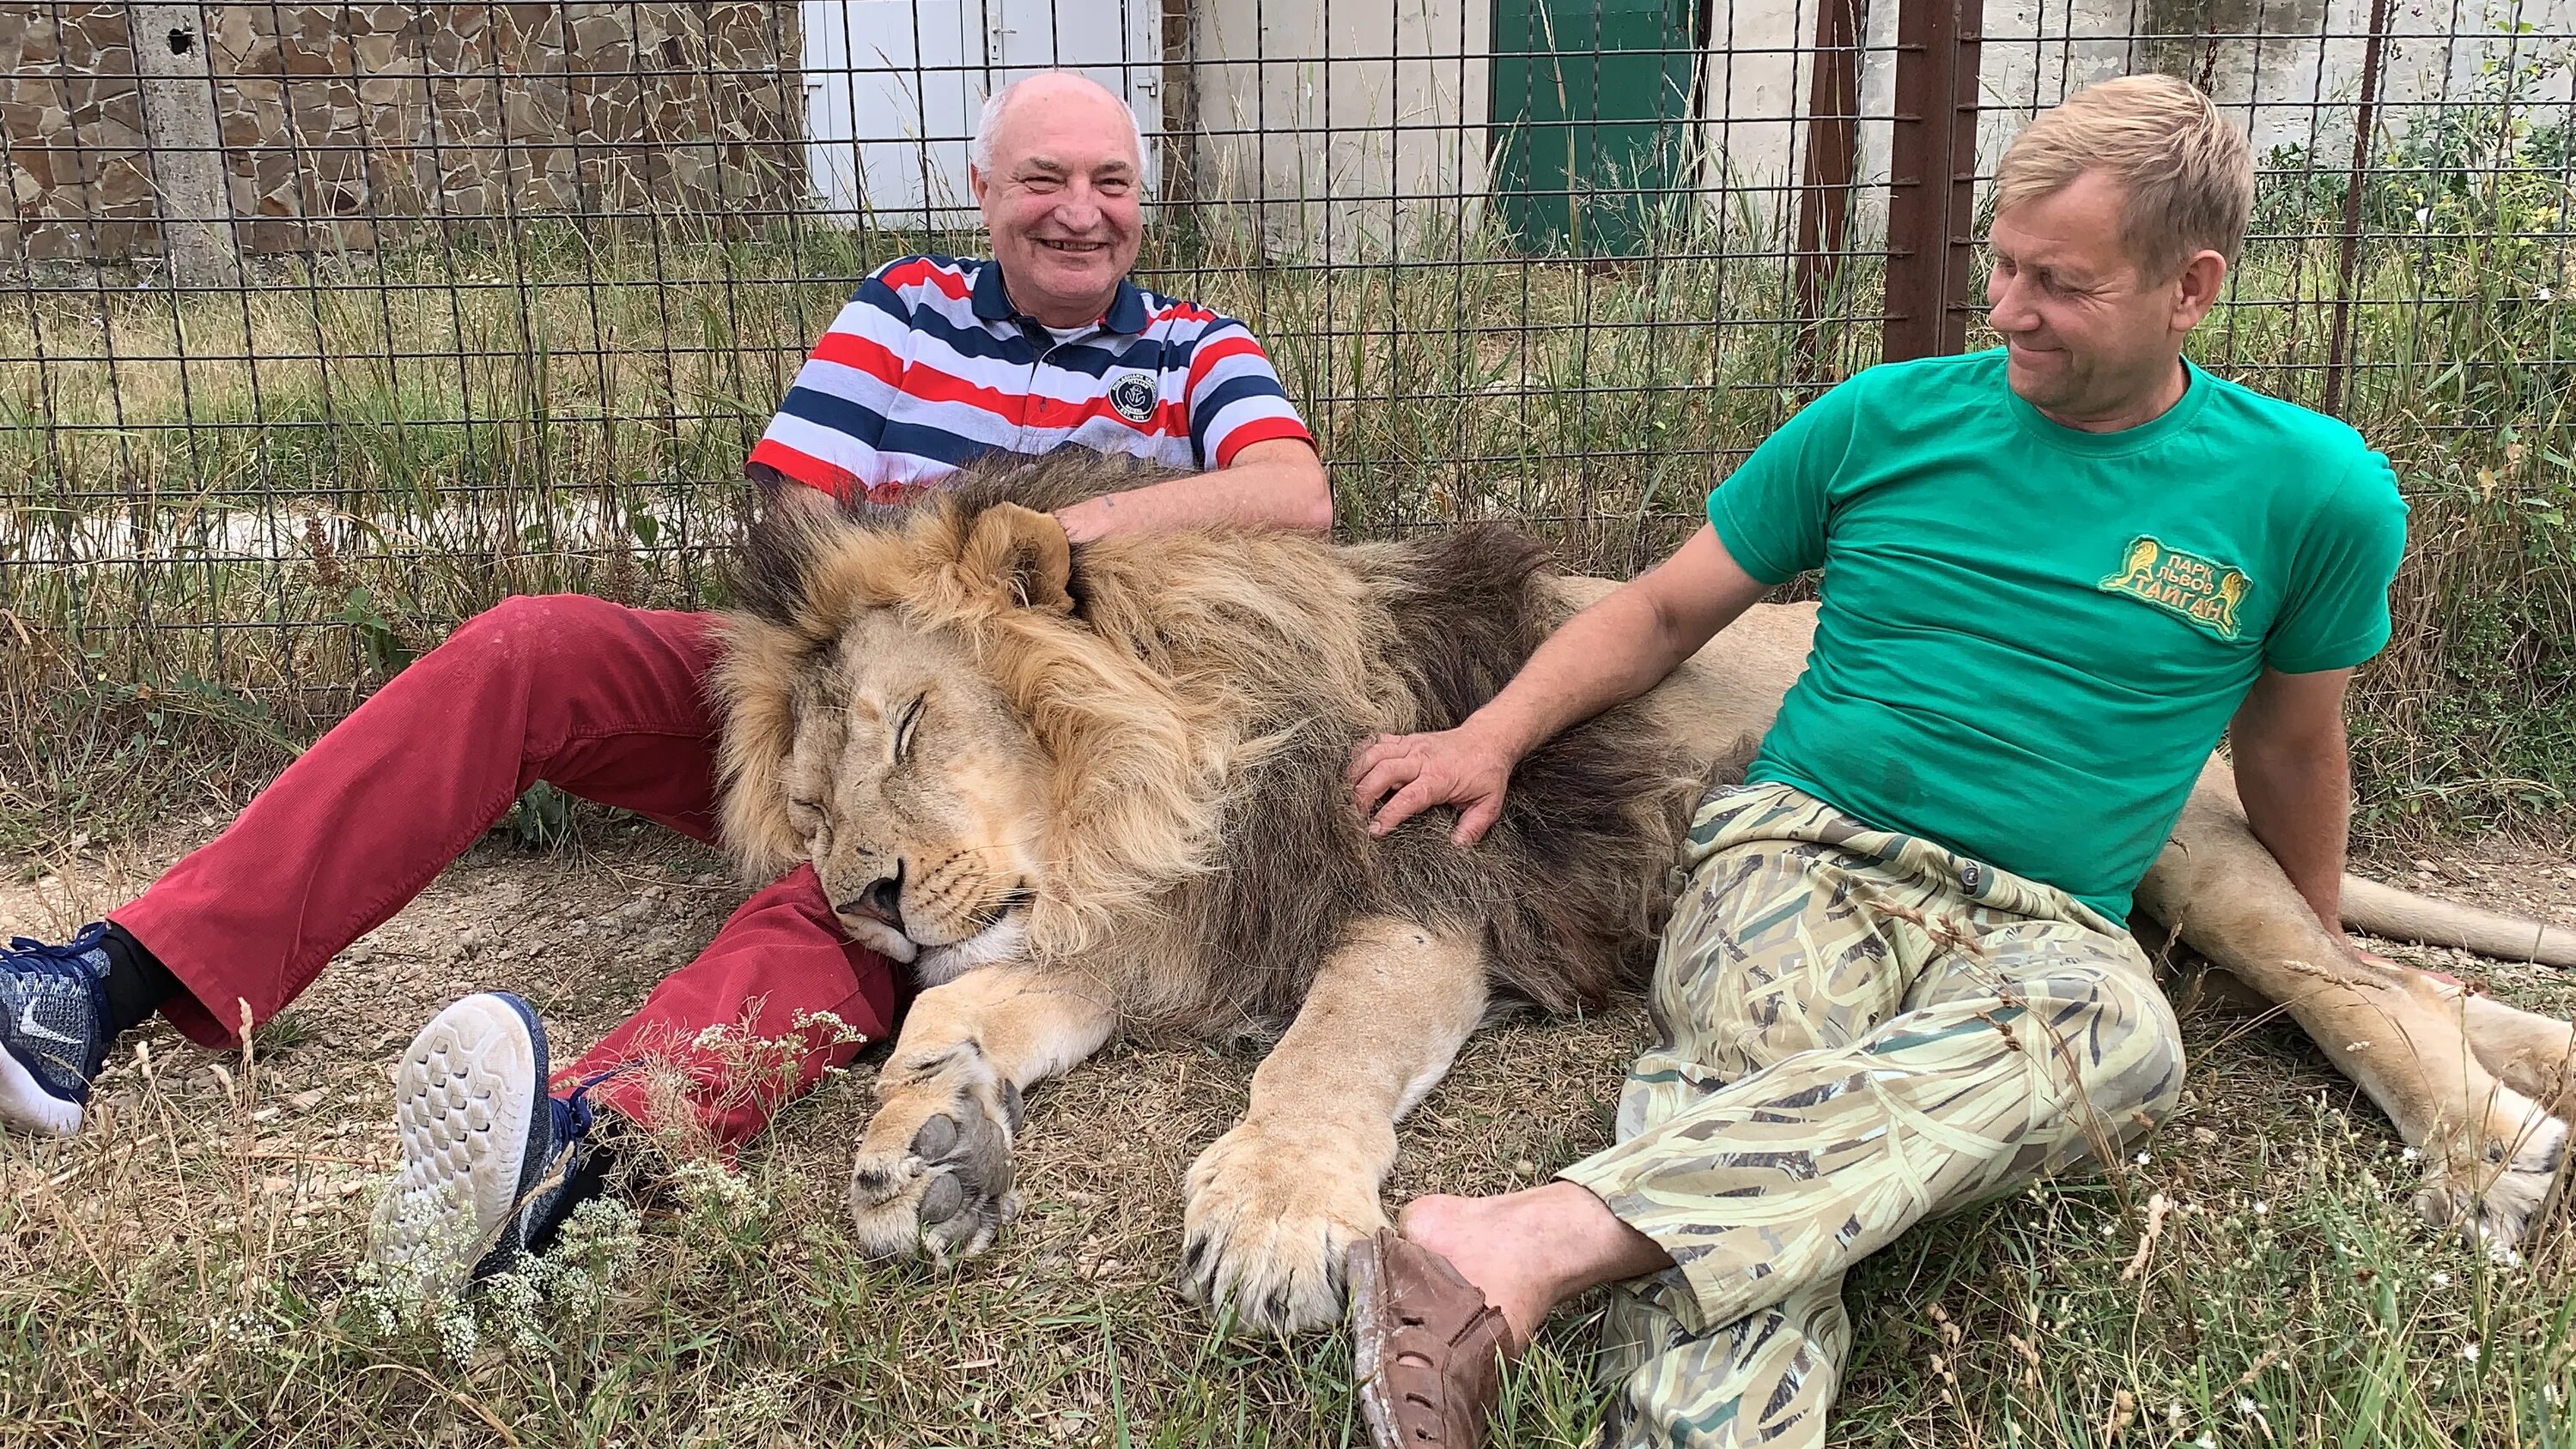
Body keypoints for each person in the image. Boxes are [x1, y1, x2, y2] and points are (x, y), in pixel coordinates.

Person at [0, 70, 1326, 1296]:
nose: (1080, 214)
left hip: (1031, 760)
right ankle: (104, 980)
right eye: (1044, 179)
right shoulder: (901, 306)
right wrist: (923, 591)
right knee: (536, 649)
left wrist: (1018, 559)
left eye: (1110, 183)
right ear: (984, 192)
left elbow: (1293, 498)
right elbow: (792, 520)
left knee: (865, 902)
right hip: (823, 704)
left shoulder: (1197, 349)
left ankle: (584, 1150)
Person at [1341, 76, 2404, 1447]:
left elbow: (2292, 740)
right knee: (1759, 1074)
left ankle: (1527, 1239)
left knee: (2127, 1035)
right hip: (1805, 850)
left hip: (2047, 918)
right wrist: (1487, 735)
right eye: (2002, 266)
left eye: (2061, 285)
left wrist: (2318, 935)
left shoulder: (2311, 491)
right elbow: (1666, 608)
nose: (2010, 312)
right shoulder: (1884, 419)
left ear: (2190, 287)